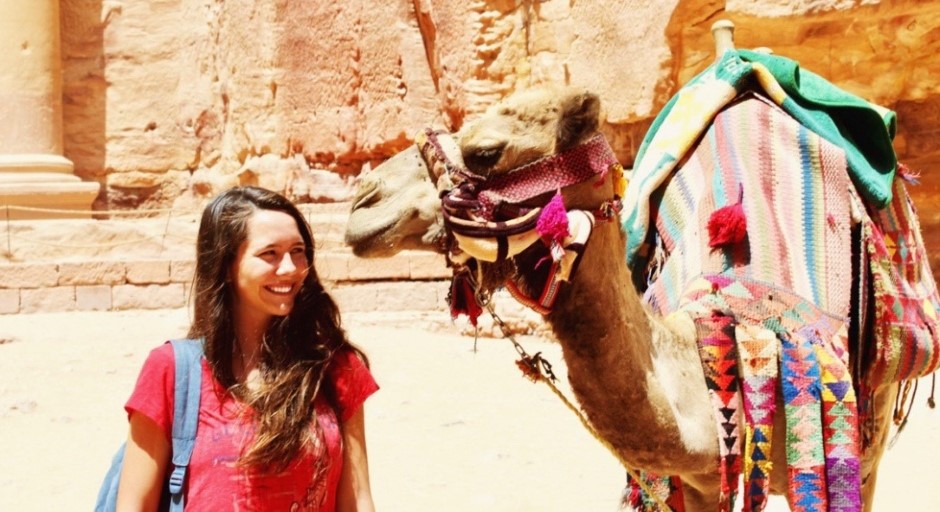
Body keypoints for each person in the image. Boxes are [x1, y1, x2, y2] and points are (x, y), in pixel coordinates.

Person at [115, 186, 378, 511]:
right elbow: (133, 504)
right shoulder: (171, 370)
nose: (290, 268)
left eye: (298, 251)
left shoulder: (336, 367)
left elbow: (358, 499)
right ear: (227, 264)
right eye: (270, 253)